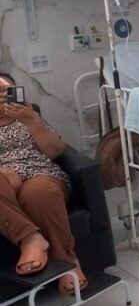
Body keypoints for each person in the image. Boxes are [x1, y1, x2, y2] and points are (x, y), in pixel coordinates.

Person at [0, 73, 88, 294]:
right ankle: (31, 239)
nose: (2, 96)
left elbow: (55, 151)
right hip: (4, 183)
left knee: (41, 193)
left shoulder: (29, 115)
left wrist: (31, 119)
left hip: (41, 173)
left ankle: (67, 261)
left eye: (6, 90)